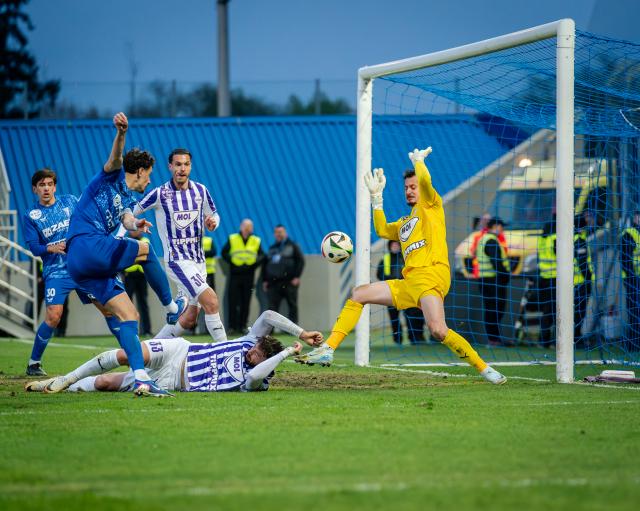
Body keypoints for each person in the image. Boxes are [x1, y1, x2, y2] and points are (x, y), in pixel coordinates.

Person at [296, 147, 507, 385]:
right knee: (359, 293)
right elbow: (382, 230)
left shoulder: (431, 205)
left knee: (438, 330)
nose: (409, 191)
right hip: (409, 283)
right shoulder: (405, 223)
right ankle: (328, 348)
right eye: (406, 187)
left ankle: (484, 368)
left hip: (431, 276)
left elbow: (425, 181)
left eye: (413, 187)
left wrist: (419, 162)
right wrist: (377, 199)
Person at [64, 112, 187, 398]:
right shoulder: (112, 176)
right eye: (150, 174)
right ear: (140, 171)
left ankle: (141, 378)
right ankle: (172, 308)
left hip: (81, 266)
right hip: (87, 245)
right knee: (145, 249)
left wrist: (136, 225)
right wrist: (121, 133)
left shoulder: (129, 198)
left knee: (128, 314)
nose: (150, 180)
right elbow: (116, 158)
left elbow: (127, 219)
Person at [25, 310, 323, 395]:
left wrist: (286, 353)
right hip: (179, 352)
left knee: (104, 383)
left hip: (173, 381)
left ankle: (70, 387)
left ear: (267, 361)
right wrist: (301, 334)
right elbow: (268, 315)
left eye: (257, 354)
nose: (251, 354)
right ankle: (64, 379)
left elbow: (256, 375)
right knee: (128, 353)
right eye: (254, 348)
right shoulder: (249, 342)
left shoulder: (260, 380)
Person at [21, 168, 120, 376]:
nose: (46, 188)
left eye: (49, 184)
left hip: (83, 267)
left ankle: (132, 352)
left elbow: (89, 220)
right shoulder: (31, 215)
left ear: (55, 187)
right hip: (56, 272)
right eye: (42, 185)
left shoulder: (70, 202)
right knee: (53, 316)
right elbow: (34, 247)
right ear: (35, 189)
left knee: (109, 309)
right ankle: (33, 363)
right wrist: (50, 248)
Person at [131, 148, 226, 343]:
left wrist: (213, 223)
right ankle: (227, 353)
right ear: (170, 166)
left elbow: (214, 214)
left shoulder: (201, 191)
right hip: (178, 260)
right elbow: (132, 210)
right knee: (211, 301)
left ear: (190, 166)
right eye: (178, 164)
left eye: (186, 164)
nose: (182, 169)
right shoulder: (160, 193)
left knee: (190, 318)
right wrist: (133, 224)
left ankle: (148, 350)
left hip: (199, 262)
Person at [376, 240, 425, 344]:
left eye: (396, 244)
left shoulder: (406, 258)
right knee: (394, 318)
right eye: (393, 244)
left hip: (407, 292)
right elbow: (379, 274)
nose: (395, 246)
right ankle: (397, 340)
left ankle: (414, 339)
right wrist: (391, 281)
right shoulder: (385, 259)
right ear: (389, 246)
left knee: (411, 317)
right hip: (391, 293)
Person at [221, 218, 264, 334]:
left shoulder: (256, 240)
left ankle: (243, 326)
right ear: (241, 226)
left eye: (249, 226)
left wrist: (253, 264)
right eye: (245, 226)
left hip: (249, 274)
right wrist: (232, 262)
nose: (247, 228)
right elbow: (224, 253)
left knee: (246, 301)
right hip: (235, 274)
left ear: (252, 228)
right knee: (233, 301)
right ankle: (232, 327)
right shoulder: (233, 238)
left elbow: (262, 255)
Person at [477, 217, 511, 346]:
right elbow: (497, 262)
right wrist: (505, 276)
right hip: (493, 281)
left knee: (491, 309)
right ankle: (494, 339)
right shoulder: (491, 240)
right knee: (495, 309)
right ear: (495, 226)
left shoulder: (484, 239)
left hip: (485, 279)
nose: (503, 230)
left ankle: (494, 338)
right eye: (502, 227)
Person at [262, 225, 305, 324]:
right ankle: (270, 330)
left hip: (289, 282)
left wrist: (297, 277)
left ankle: (293, 329)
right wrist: (265, 280)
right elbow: (265, 265)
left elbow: (301, 261)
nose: (279, 234)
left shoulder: (293, 246)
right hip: (274, 283)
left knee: (292, 305)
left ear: (285, 233)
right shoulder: (272, 248)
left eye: (280, 232)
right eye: (276, 232)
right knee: (272, 308)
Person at [122, 230, 152, 336]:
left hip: (142, 276)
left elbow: (146, 256)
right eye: (133, 229)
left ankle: (146, 330)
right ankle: (129, 330)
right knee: (127, 305)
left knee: (143, 304)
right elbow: (123, 257)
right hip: (129, 276)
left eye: (137, 229)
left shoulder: (145, 240)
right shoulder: (125, 241)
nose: (135, 231)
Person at [620, 210, 640, 351]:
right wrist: (632, 276)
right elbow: (625, 259)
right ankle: (633, 343)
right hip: (633, 279)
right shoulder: (629, 234)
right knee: (635, 310)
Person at [537, 216, 557, 347]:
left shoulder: (542, 239)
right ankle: (547, 340)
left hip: (543, 278)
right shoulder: (555, 239)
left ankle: (544, 339)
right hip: (554, 279)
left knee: (547, 310)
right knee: (553, 310)